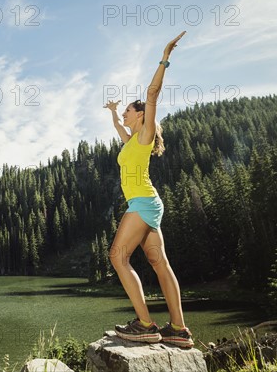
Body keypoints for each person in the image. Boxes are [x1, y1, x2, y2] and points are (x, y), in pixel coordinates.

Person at [103, 31, 194, 349]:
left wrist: (165, 56)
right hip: (149, 203)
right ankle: (179, 329)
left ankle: (144, 324)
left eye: (129, 111)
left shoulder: (145, 135)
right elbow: (119, 131)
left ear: (141, 115)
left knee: (117, 256)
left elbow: (152, 94)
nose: (126, 115)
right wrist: (114, 114)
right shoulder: (132, 142)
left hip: (141, 203)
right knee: (160, 263)